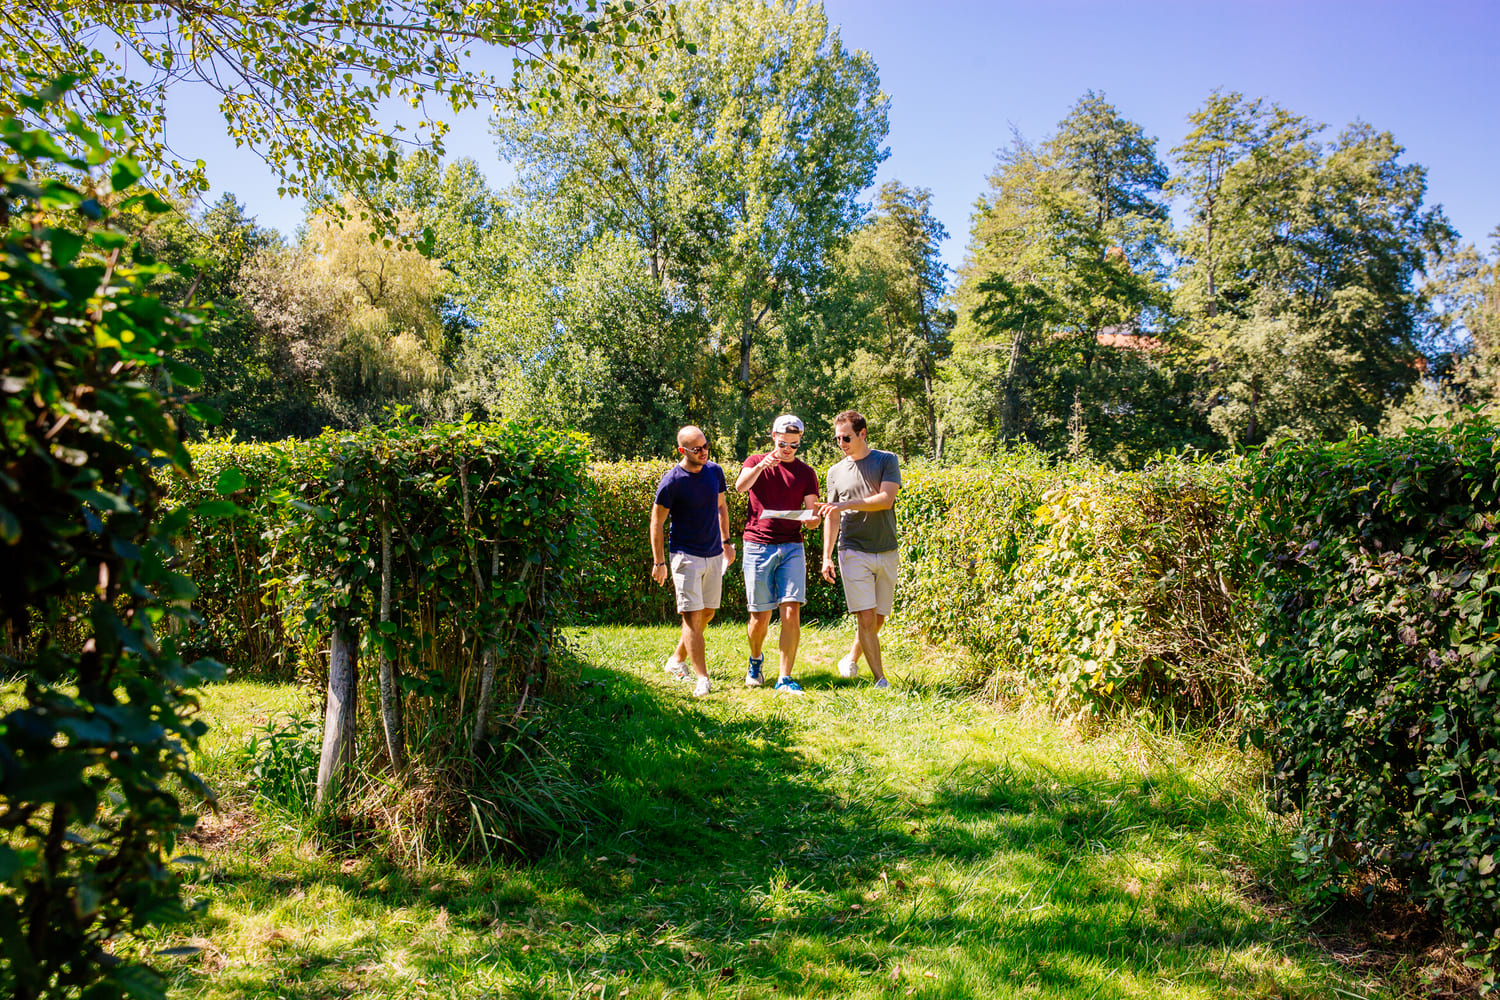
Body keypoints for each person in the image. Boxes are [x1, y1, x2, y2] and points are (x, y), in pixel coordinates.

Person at [735, 414, 820, 693]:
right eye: (784, 444)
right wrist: (762, 465)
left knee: (791, 611)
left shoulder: (806, 473)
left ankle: (784, 677)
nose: (788, 450)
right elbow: (740, 487)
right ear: (773, 436)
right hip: (758, 545)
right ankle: (756, 660)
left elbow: (813, 513)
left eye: (794, 445)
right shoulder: (755, 461)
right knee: (760, 616)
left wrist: (811, 519)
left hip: (792, 546)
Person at [650, 425, 736, 697]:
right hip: (685, 556)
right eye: (696, 449)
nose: (704, 452)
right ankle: (702, 677)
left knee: (708, 612)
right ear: (682, 451)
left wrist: (727, 542)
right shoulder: (672, 481)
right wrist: (659, 562)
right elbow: (657, 521)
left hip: (714, 554)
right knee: (692, 618)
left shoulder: (714, 472)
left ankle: (676, 660)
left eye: (706, 446)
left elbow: (721, 506)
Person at [818, 410, 901, 689]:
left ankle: (851, 658)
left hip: (887, 548)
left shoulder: (886, 460)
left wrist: (846, 504)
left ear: (862, 434)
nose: (841, 443)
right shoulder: (835, 472)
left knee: (878, 617)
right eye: (837, 438)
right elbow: (831, 515)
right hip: (852, 549)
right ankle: (881, 679)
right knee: (865, 616)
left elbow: (886, 499)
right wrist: (826, 556)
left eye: (846, 437)